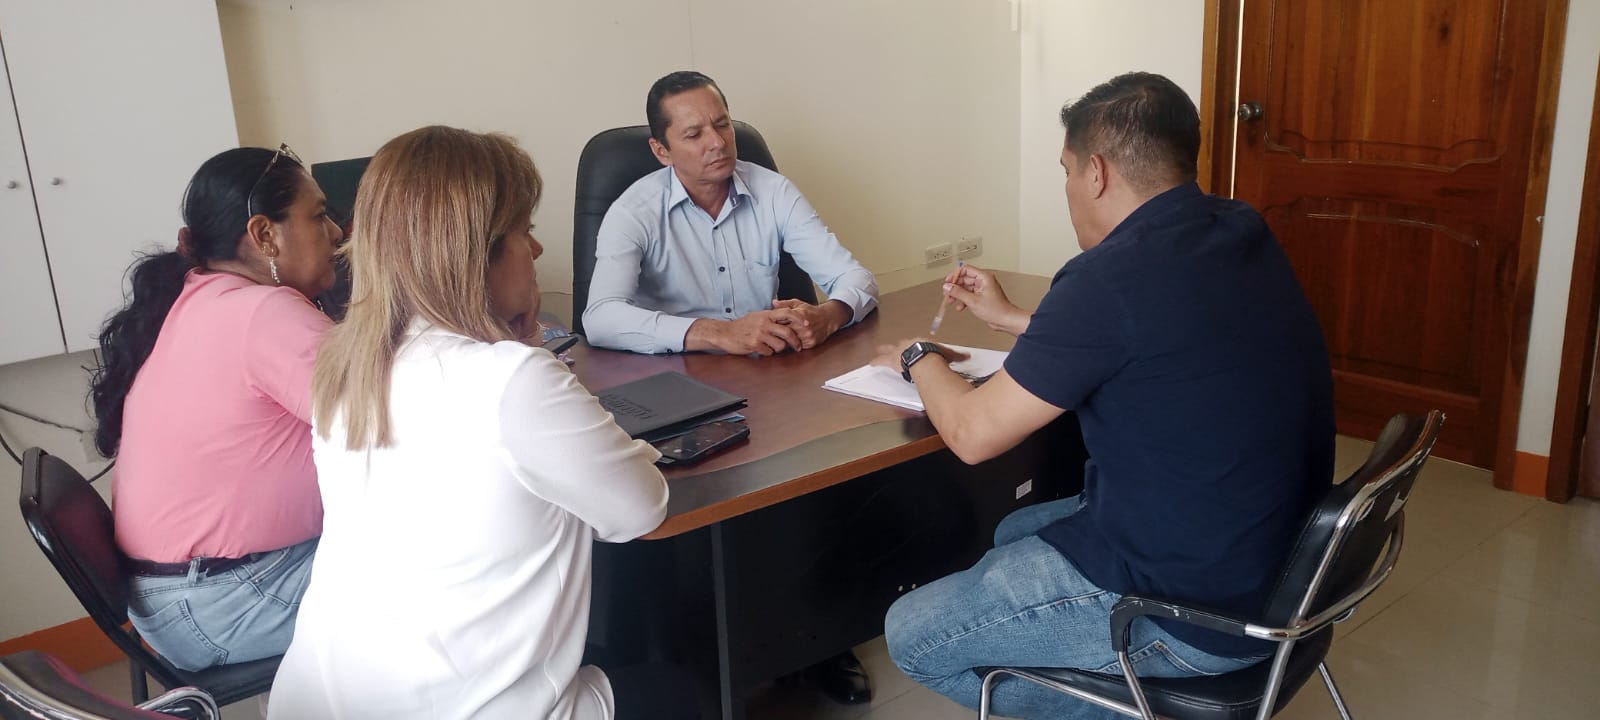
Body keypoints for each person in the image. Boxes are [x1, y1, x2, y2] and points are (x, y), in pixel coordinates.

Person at [873, 72, 1336, 719]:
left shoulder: (1109, 278)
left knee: (912, 633)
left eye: (1065, 171)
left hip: (1194, 609)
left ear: (1096, 172)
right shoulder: (1238, 227)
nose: (1067, 188)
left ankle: (1110, 704)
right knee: (1012, 528)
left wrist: (917, 358)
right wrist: (1015, 319)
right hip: (1279, 567)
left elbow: (973, 434)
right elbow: (1159, 338)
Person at [268, 126, 671, 720]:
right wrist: (530, 353)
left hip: (323, 700)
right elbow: (640, 508)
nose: (537, 250)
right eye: (524, 231)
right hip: (468, 709)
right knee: (680, 685)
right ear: (476, 252)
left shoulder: (346, 369)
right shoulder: (511, 381)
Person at [89, 145, 343, 671]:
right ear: (265, 234)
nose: (337, 232)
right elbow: (395, 426)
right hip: (226, 601)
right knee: (461, 564)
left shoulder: (203, 295)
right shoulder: (264, 313)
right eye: (319, 216)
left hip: (185, 598)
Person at [583, 70, 879, 358]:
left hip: (768, 368)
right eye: (694, 134)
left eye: (723, 124)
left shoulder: (774, 191)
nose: (718, 142)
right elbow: (600, 318)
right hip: (676, 372)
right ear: (662, 151)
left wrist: (828, 316)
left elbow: (855, 277)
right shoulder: (633, 212)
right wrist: (721, 333)